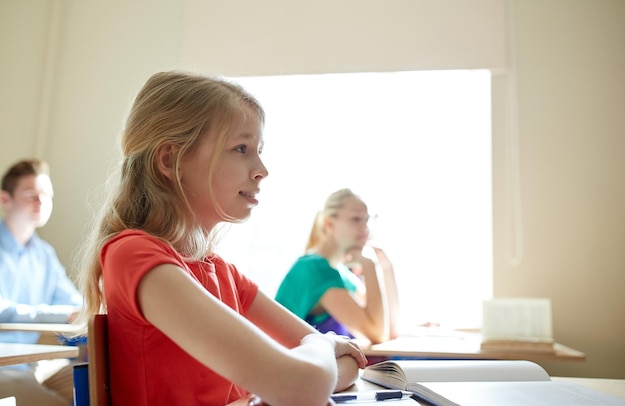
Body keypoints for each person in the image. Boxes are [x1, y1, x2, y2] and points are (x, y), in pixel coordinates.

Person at [72, 71, 366, 406]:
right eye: (241, 148)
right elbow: (308, 383)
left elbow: (347, 366)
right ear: (172, 160)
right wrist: (323, 346)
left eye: (258, 150)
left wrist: (311, 367)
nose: (262, 169)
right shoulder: (134, 257)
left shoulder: (221, 271)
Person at [0, 159, 83, 406]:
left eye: (47, 195)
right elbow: (3, 311)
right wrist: (65, 315)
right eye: (31, 195)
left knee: (99, 380)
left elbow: (74, 304)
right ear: (5, 200)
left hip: (36, 365)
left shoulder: (44, 253)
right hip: (5, 367)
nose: (42, 202)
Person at [275, 188, 400, 344]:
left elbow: (390, 330)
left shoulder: (340, 272)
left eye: (367, 220)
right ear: (329, 224)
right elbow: (377, 334)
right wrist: (369, 265)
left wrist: (387, 267)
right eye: (356, 219)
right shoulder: (316, 269)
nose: (365, 228)